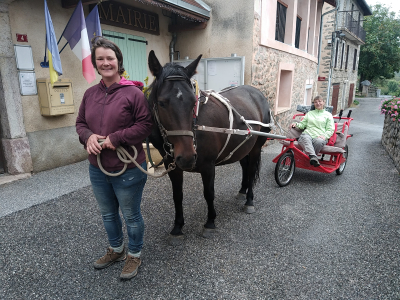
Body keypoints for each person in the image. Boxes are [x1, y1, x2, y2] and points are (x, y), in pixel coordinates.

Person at [76, 37, 153, 280]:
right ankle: (117, 250)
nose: (105, 62)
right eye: (100, 58)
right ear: (95, 63)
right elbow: (80, 124)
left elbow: (145, 126)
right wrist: (87, 136)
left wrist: (116, 138)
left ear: (118, 62)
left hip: (128, 167)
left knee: (131, 215)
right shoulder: (89, 94)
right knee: (108, 214)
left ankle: (134, 254)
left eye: (110, 58)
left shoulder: (133, 94)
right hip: (97, 168)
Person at [291, 95, 334, 167]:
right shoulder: (310, 113)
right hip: (308, 134)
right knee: (305, 138)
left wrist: (325, 136)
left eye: (320, 101)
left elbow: (330, 129)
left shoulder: (328, 115)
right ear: (314, 104)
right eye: (315, 102)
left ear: (323, 102)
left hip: (320, 136)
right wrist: (296, 124)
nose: (318, 103)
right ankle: (313, 157)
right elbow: (302, 125)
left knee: (319, 141)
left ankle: (310, 158)